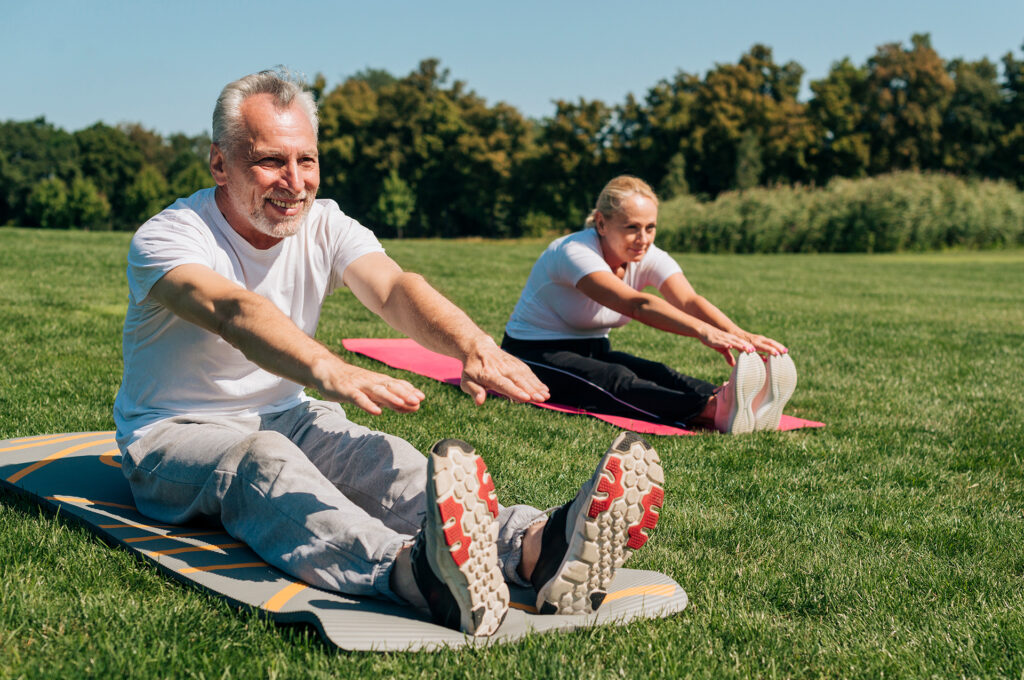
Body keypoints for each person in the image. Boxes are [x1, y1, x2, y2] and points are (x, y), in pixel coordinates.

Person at [112, 71, 665, 637]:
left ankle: (534, 549)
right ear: (219, 164)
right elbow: (233, 310)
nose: (295, 181)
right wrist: (329, 368)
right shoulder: (170, 237)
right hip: (173, 433)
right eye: (270, 161)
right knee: (261, 463)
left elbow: (395, 287)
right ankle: (412, 572)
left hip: (290, 415)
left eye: (307, 160)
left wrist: (472, 345)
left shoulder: (324, 223)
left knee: (381, 459)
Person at [501, 175, 797, 434]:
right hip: (532, 353)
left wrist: (740, 335)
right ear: (601, 223)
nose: (643, 239)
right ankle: (710, 411)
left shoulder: (646, 254)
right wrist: (702, 331)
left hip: (592, 348)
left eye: (650, 227)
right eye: (632, 227)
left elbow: (688, 300)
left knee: (657, 371)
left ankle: (731, 399)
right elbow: (636, 305)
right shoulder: (574, 252)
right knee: (615, 380)